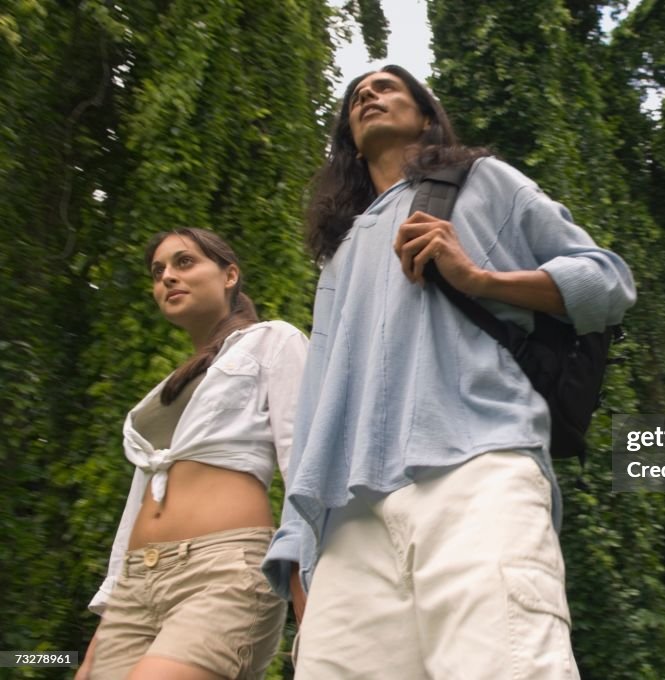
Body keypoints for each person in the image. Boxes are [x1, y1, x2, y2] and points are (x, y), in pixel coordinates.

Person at [262, 64, 636, 679]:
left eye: (387, 87)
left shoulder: (483, 182)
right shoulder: (340, 254)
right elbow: (321, 392)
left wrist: (481, 278)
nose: (368, 95)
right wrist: (297, 541)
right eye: (357, 95)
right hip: (349, 516)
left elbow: (608, 282)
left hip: (475, 468)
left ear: (427, 116)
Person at [77, 228, 308, 680]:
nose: (167, 277)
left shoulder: (272, 342)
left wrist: (308, 598)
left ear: (229, 275)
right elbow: (138, 505)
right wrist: (100, 634)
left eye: (184, 263)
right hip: (137, 585)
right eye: (158, 271)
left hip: (222, 571)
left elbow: (303, 463)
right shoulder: (165, 393)